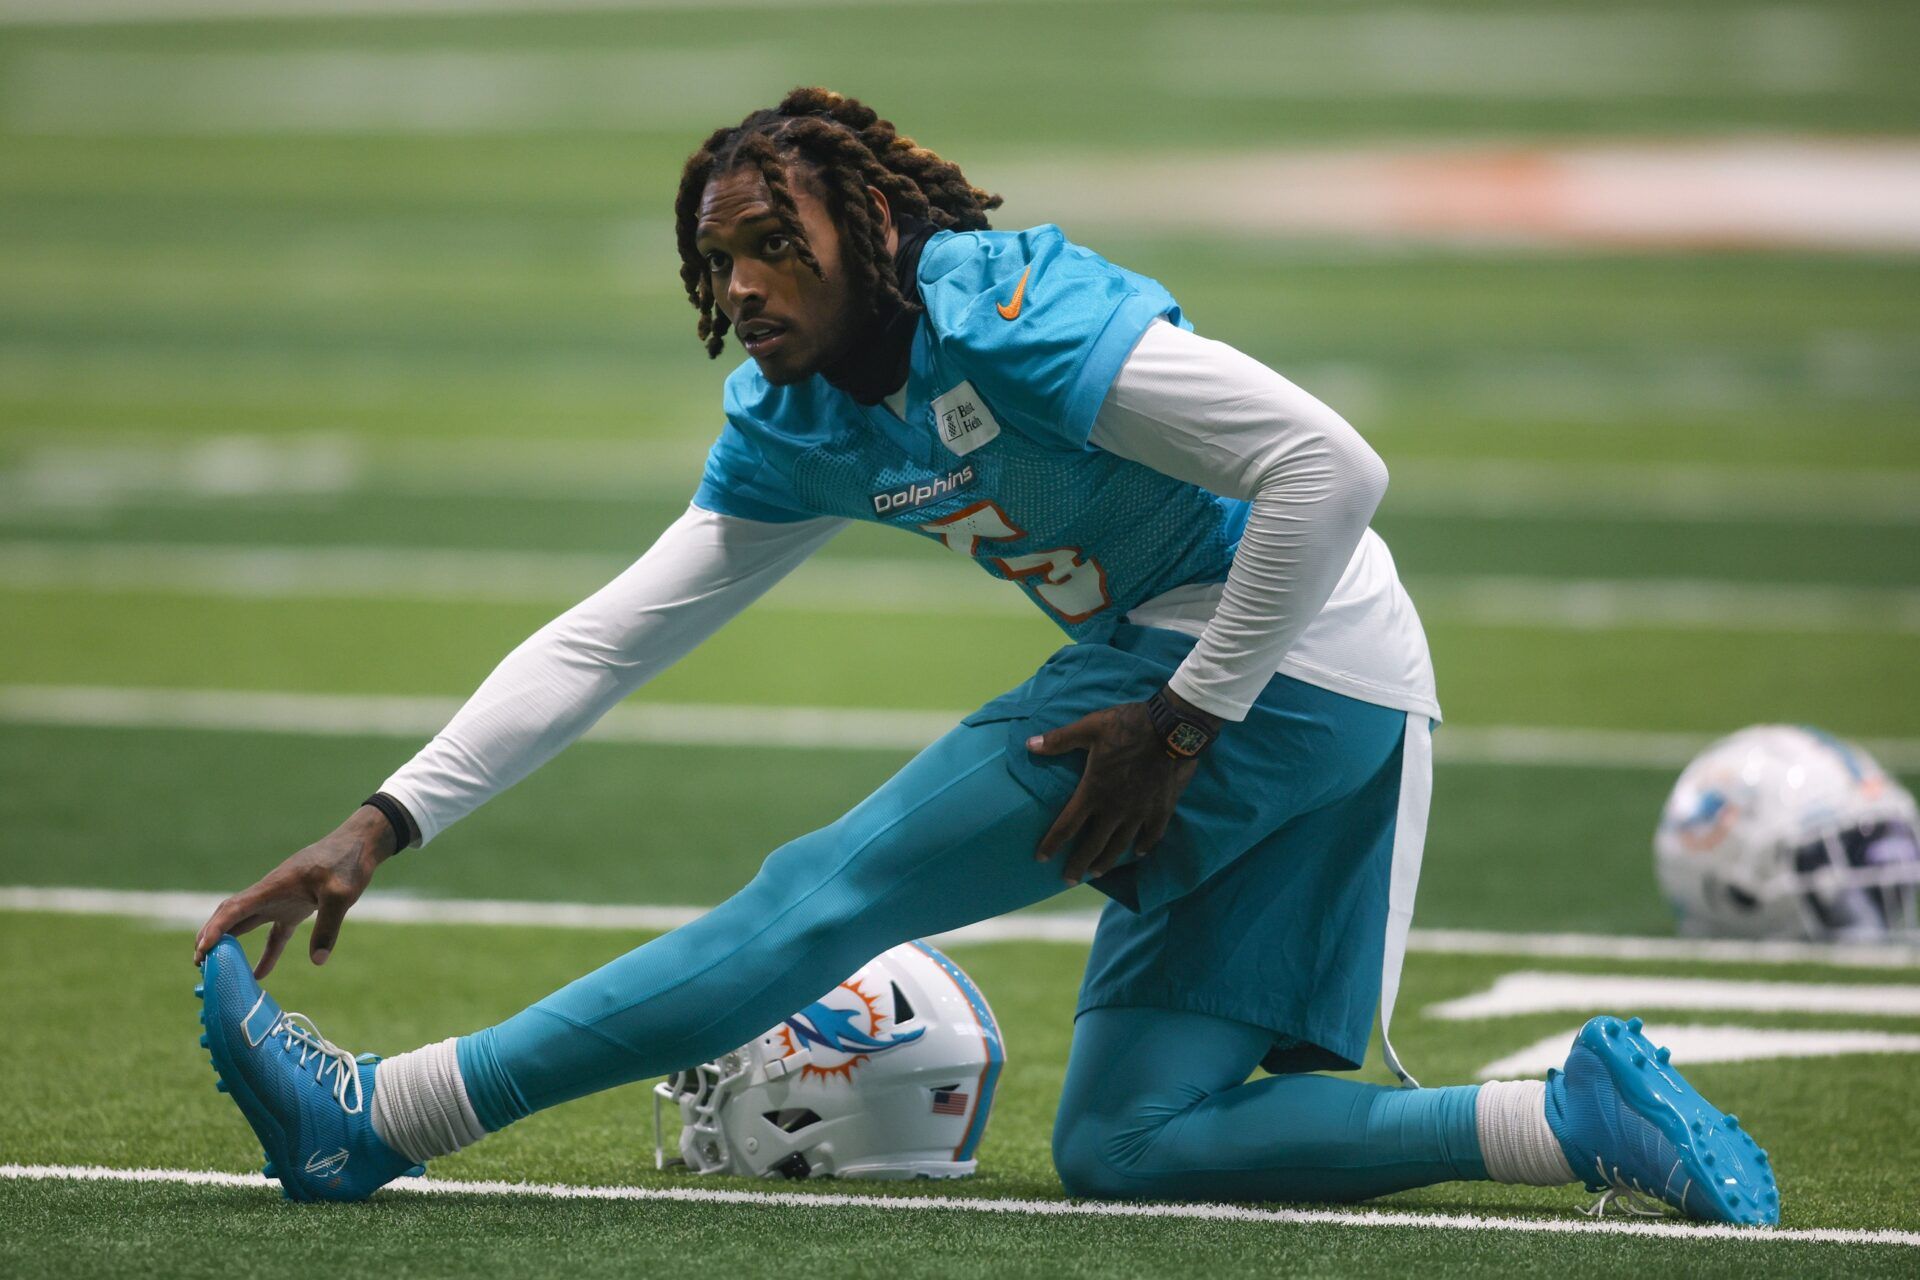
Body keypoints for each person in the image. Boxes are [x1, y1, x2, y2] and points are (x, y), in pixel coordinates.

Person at [191, 87, 1776, 1223]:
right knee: (1136, 1143)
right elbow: (613, 635)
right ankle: (1569, 1118)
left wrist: (1185, 718)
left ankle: (379, 1118)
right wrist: (379, 823)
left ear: (868, 220)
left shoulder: (1006, 313)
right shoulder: (804, 415)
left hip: (1265, 667)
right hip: (1316, 682)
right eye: (715, 256)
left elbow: (1332, 473)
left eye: (771, 242)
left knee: (823, 892)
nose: (740, 283)